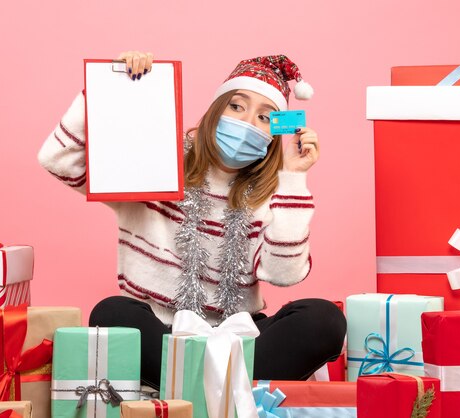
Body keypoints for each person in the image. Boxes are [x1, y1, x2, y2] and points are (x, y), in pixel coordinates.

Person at [38, 51, 346, 389]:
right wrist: (110, 88)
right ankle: (226, 389)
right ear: (215, 112)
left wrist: (293, 177)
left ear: (276, 132)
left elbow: (283, 274)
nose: (246, 124)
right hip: (163, 332)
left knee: (325, 319)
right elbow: (60, 160)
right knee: (111, 314)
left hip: (239, 335)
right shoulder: (159, 167)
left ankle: (191, 386)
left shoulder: (273, 192)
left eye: (264, 116)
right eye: (236, 107)